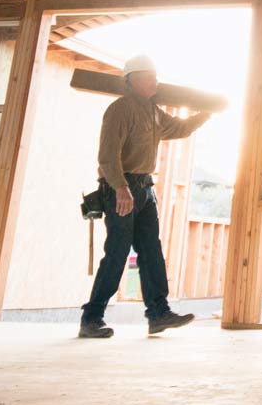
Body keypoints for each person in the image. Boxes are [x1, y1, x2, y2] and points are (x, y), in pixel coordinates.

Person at [79, 55, 211, 338]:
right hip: (121, 190)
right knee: (117, 253)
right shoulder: (119, 110)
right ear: (134, 79)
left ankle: (158, 314)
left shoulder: (152, 111)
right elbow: (107, 156)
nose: (156, 82)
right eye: (151, 77)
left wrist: (206, 113)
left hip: (144, 189)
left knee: (151, 251)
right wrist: (120, 188)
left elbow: (178, 128)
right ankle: (91, 319)